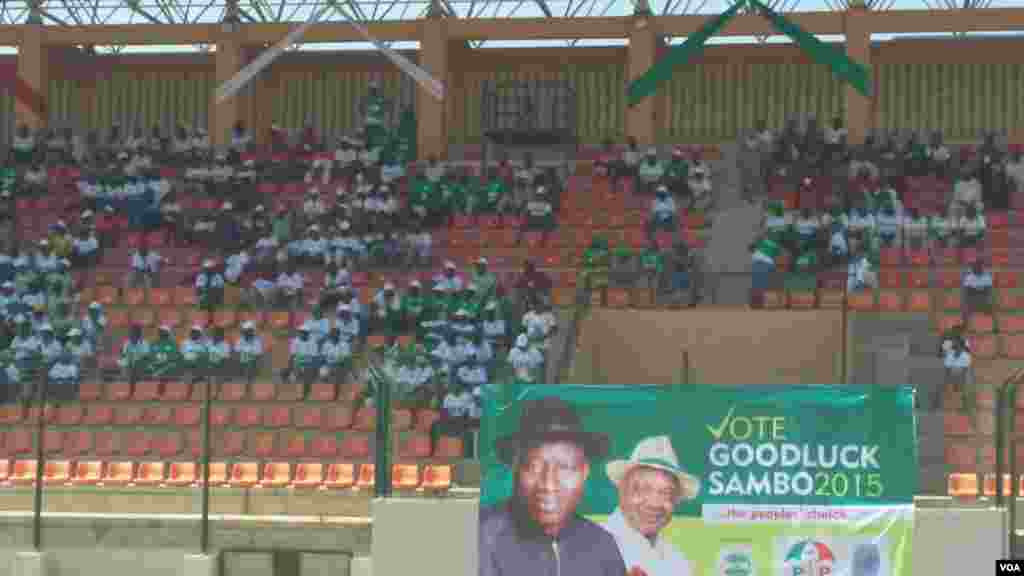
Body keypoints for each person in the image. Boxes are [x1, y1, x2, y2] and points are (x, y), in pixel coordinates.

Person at [479, 397, 626, 576]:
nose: (548, 484)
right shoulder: (479, 536)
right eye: (534, 467)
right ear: (515, 468)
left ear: (585, 472)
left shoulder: (602, 546)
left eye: (565, 468)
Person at [602, 436, 700, 576]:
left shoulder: (678, 561)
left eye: (666, 492)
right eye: (644, 489)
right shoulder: (590, 548)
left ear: (676, 500)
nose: (655, 503)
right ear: (622, 489)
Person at [233, 321, 264, 389]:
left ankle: (248, 383)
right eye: (246, 331)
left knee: (250, 364)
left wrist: (247, 357)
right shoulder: (239, 340)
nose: (247, 332)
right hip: (241, 361)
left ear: (252, 331)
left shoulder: (257, 341)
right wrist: (240, 359)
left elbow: (258, 356)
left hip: (252, 363)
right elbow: (236, 353)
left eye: (249, 331)